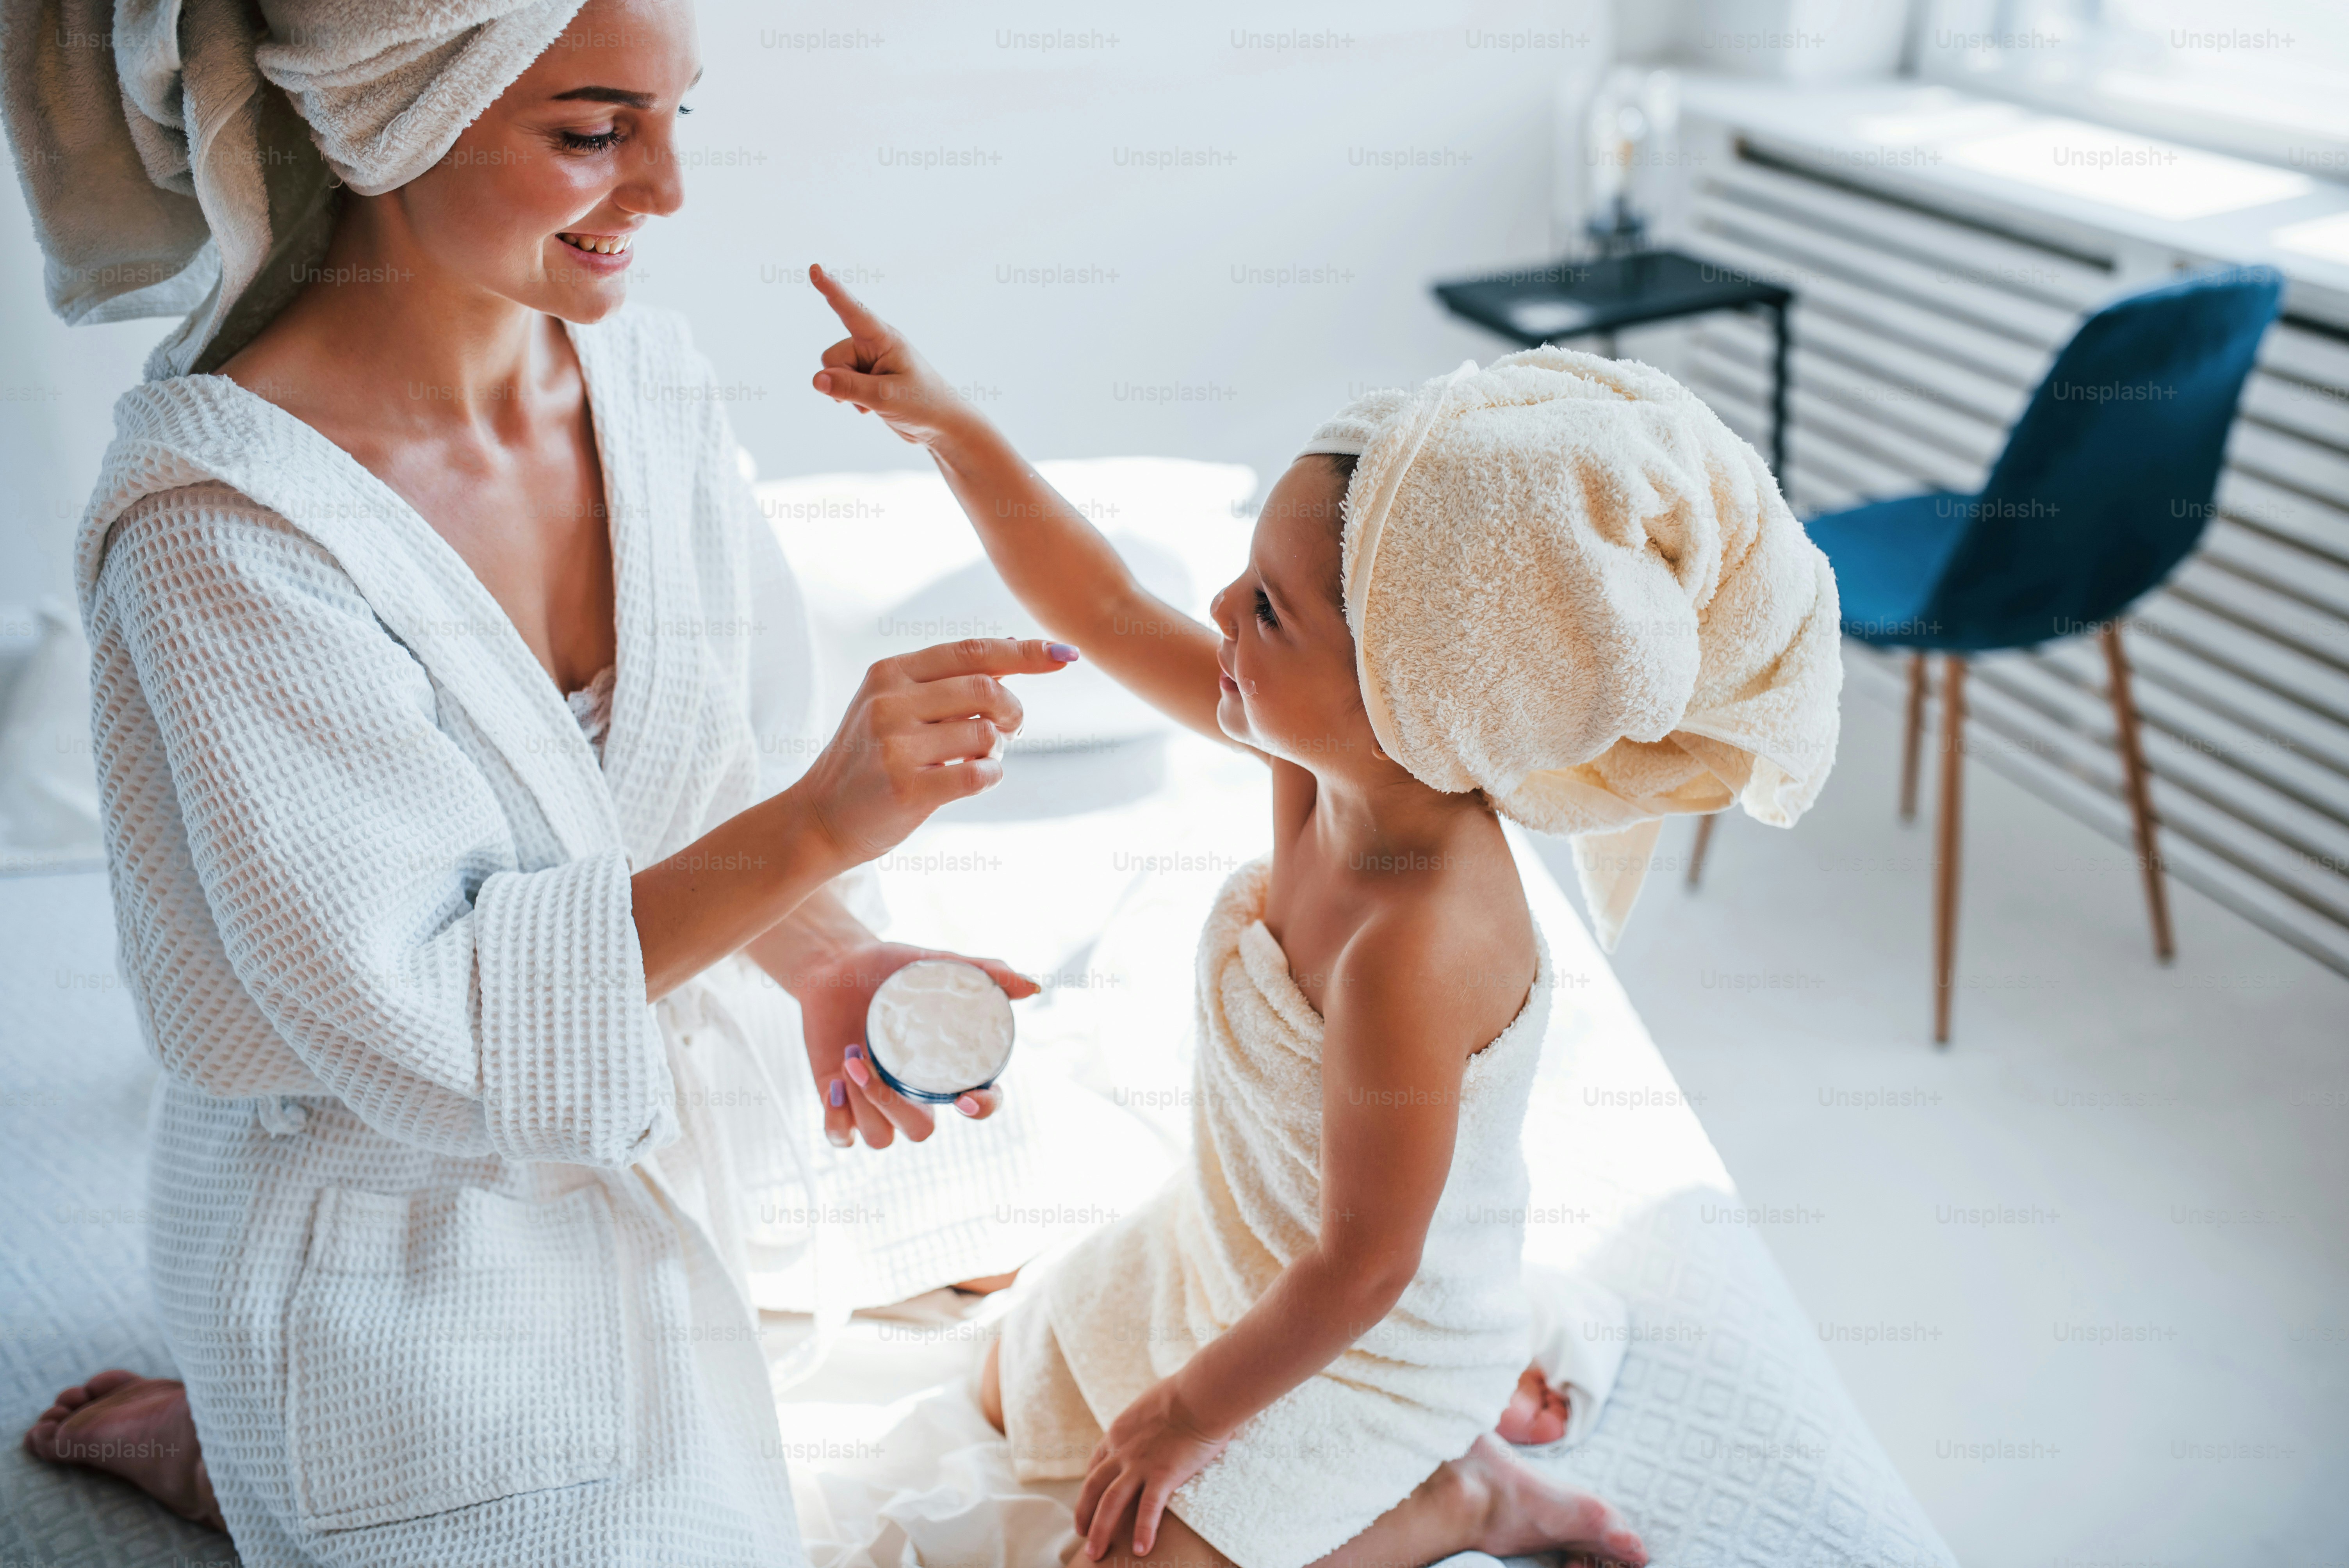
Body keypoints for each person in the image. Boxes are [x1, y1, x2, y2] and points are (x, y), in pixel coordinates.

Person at [8, 0, 1067, 1561]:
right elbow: (428, 1018)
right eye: (591, 132)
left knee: (1056, 1255)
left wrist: (835, 948)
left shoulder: (644, 385)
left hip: (627, 1104)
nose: (666, 192)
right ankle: (247, 1421)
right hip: (386, 1228)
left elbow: (719, 767)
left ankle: (229, 1433)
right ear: (383, 114)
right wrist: (816, 825)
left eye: (673, 118)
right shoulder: (217, 528)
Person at [802, 262, 1841, 1568]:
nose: (1223, 615)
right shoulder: (1323, 760)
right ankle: (1413, 1464)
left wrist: (1185, 1416)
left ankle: (1468, 1494)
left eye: (1269, 610)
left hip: (1369, 1345)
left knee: (1122, 1550)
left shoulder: (1418, 943)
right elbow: (1106, 607)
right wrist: (951, 426)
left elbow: (1363, 1270)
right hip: (1228, 1248)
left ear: (1410, 699)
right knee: (1015, 1393)